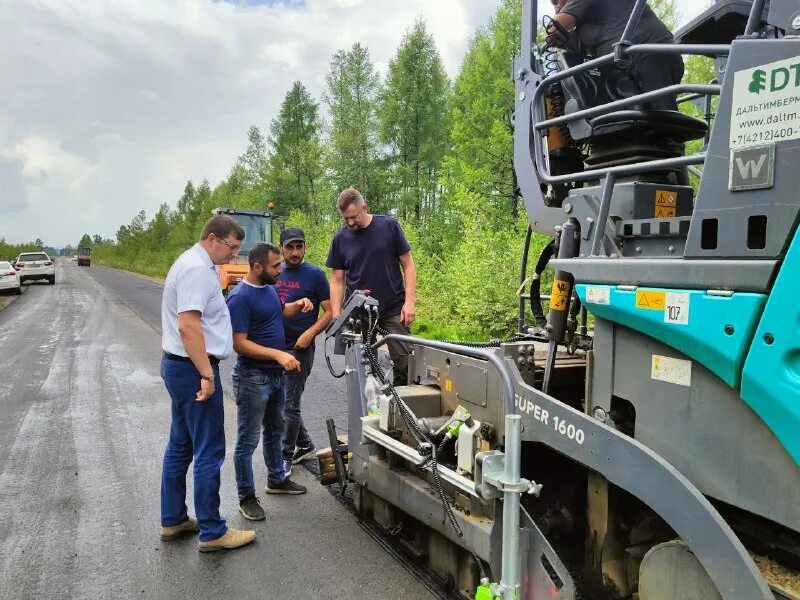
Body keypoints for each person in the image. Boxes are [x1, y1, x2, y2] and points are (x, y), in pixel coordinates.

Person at [159, 214, 256, 553]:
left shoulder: (191, 263)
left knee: (181, 445)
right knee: (209, 450)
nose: (234, 255)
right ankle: (213, 531)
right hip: (191, 370)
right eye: (232, 247)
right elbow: (188, 326)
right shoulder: (198, 270)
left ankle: (173, 519)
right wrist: (206, 373)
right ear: (213, 238)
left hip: (179, 367)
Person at [226, 242, 314, 522]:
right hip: (253, 378)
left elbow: (278, 311)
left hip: (275, 375)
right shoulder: (240, 297)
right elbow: (239, 344)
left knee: (275, 431)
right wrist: (278, 354)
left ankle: (276, 479)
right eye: (275, 266)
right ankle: (246, 497)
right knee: (247, 441)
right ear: (257, 267)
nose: (281, 270)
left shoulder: (270, 288)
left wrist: (297, 306)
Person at [326, 187, 417, 386]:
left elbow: (408, 265)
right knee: (363, 368)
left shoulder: (389, 226)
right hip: (358, 313)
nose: (350, 223)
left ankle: (402, 411)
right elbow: (337, 279)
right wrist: (336, 314)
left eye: (353, 217)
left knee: (406, 363)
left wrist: (409, 303)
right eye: (345, 219)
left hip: (393, 308)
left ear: (364, 207)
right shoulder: (340, 239)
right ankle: (370, 411)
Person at [547, 0, 684, 111]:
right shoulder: (590, 25)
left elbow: (553, 30)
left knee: (662, 121)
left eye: (556, 1)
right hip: (636, 62)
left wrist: (558, 32)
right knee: (649, 121)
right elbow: (565, 43)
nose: (555, 8)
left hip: (645, 55)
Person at [275, 227, 333, 476]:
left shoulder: (315, 275)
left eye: (299, 246)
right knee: (278, 401)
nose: (295, 252)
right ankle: (306, 444)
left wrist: (310, 333)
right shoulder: (274, 271)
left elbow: (330, 312)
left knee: (289, 402)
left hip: (300, 348)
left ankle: (285, 457)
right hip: (274, 347)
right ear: (281, 248)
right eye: (290, 247)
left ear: (305, 247)